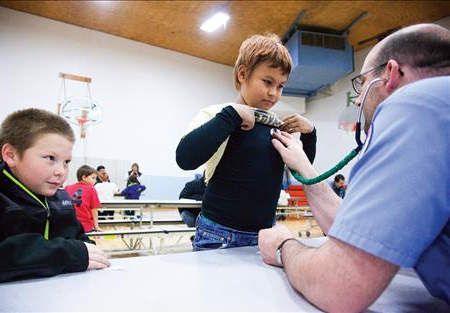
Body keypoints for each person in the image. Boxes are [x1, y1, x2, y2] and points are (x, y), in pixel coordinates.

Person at [258, 23, 450, 311]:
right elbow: (363, 236)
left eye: (361, 85)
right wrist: (305, 168)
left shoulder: (415, 104)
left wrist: (284, 246)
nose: (358, 100)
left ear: (392, 74)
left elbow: (338, 285)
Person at [176, 34, 316, 250]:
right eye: (267, 82)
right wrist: (232, 115)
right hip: (218, 234)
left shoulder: (274, 126)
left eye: (280, 86)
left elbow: (302, 169)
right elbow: (185, 158)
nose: (273, 93)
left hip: (265, 234)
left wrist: (309, 134)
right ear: (243, 74)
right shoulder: (218, 114)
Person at [0, 108, 109, 284]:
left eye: (66, 162)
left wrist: (87, 252)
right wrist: (64, 255)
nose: (61, 171)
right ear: (11, 155)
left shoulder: (61, 198)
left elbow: (81, 243)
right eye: (50, 158)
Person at [65, 165, 103, 232]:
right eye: (93, 178)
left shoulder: (67, 188)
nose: (95, 181)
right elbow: (94, 209)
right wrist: (96, 226)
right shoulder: (91, 189)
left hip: (69, 225)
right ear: (84, 177)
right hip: (85, 226)